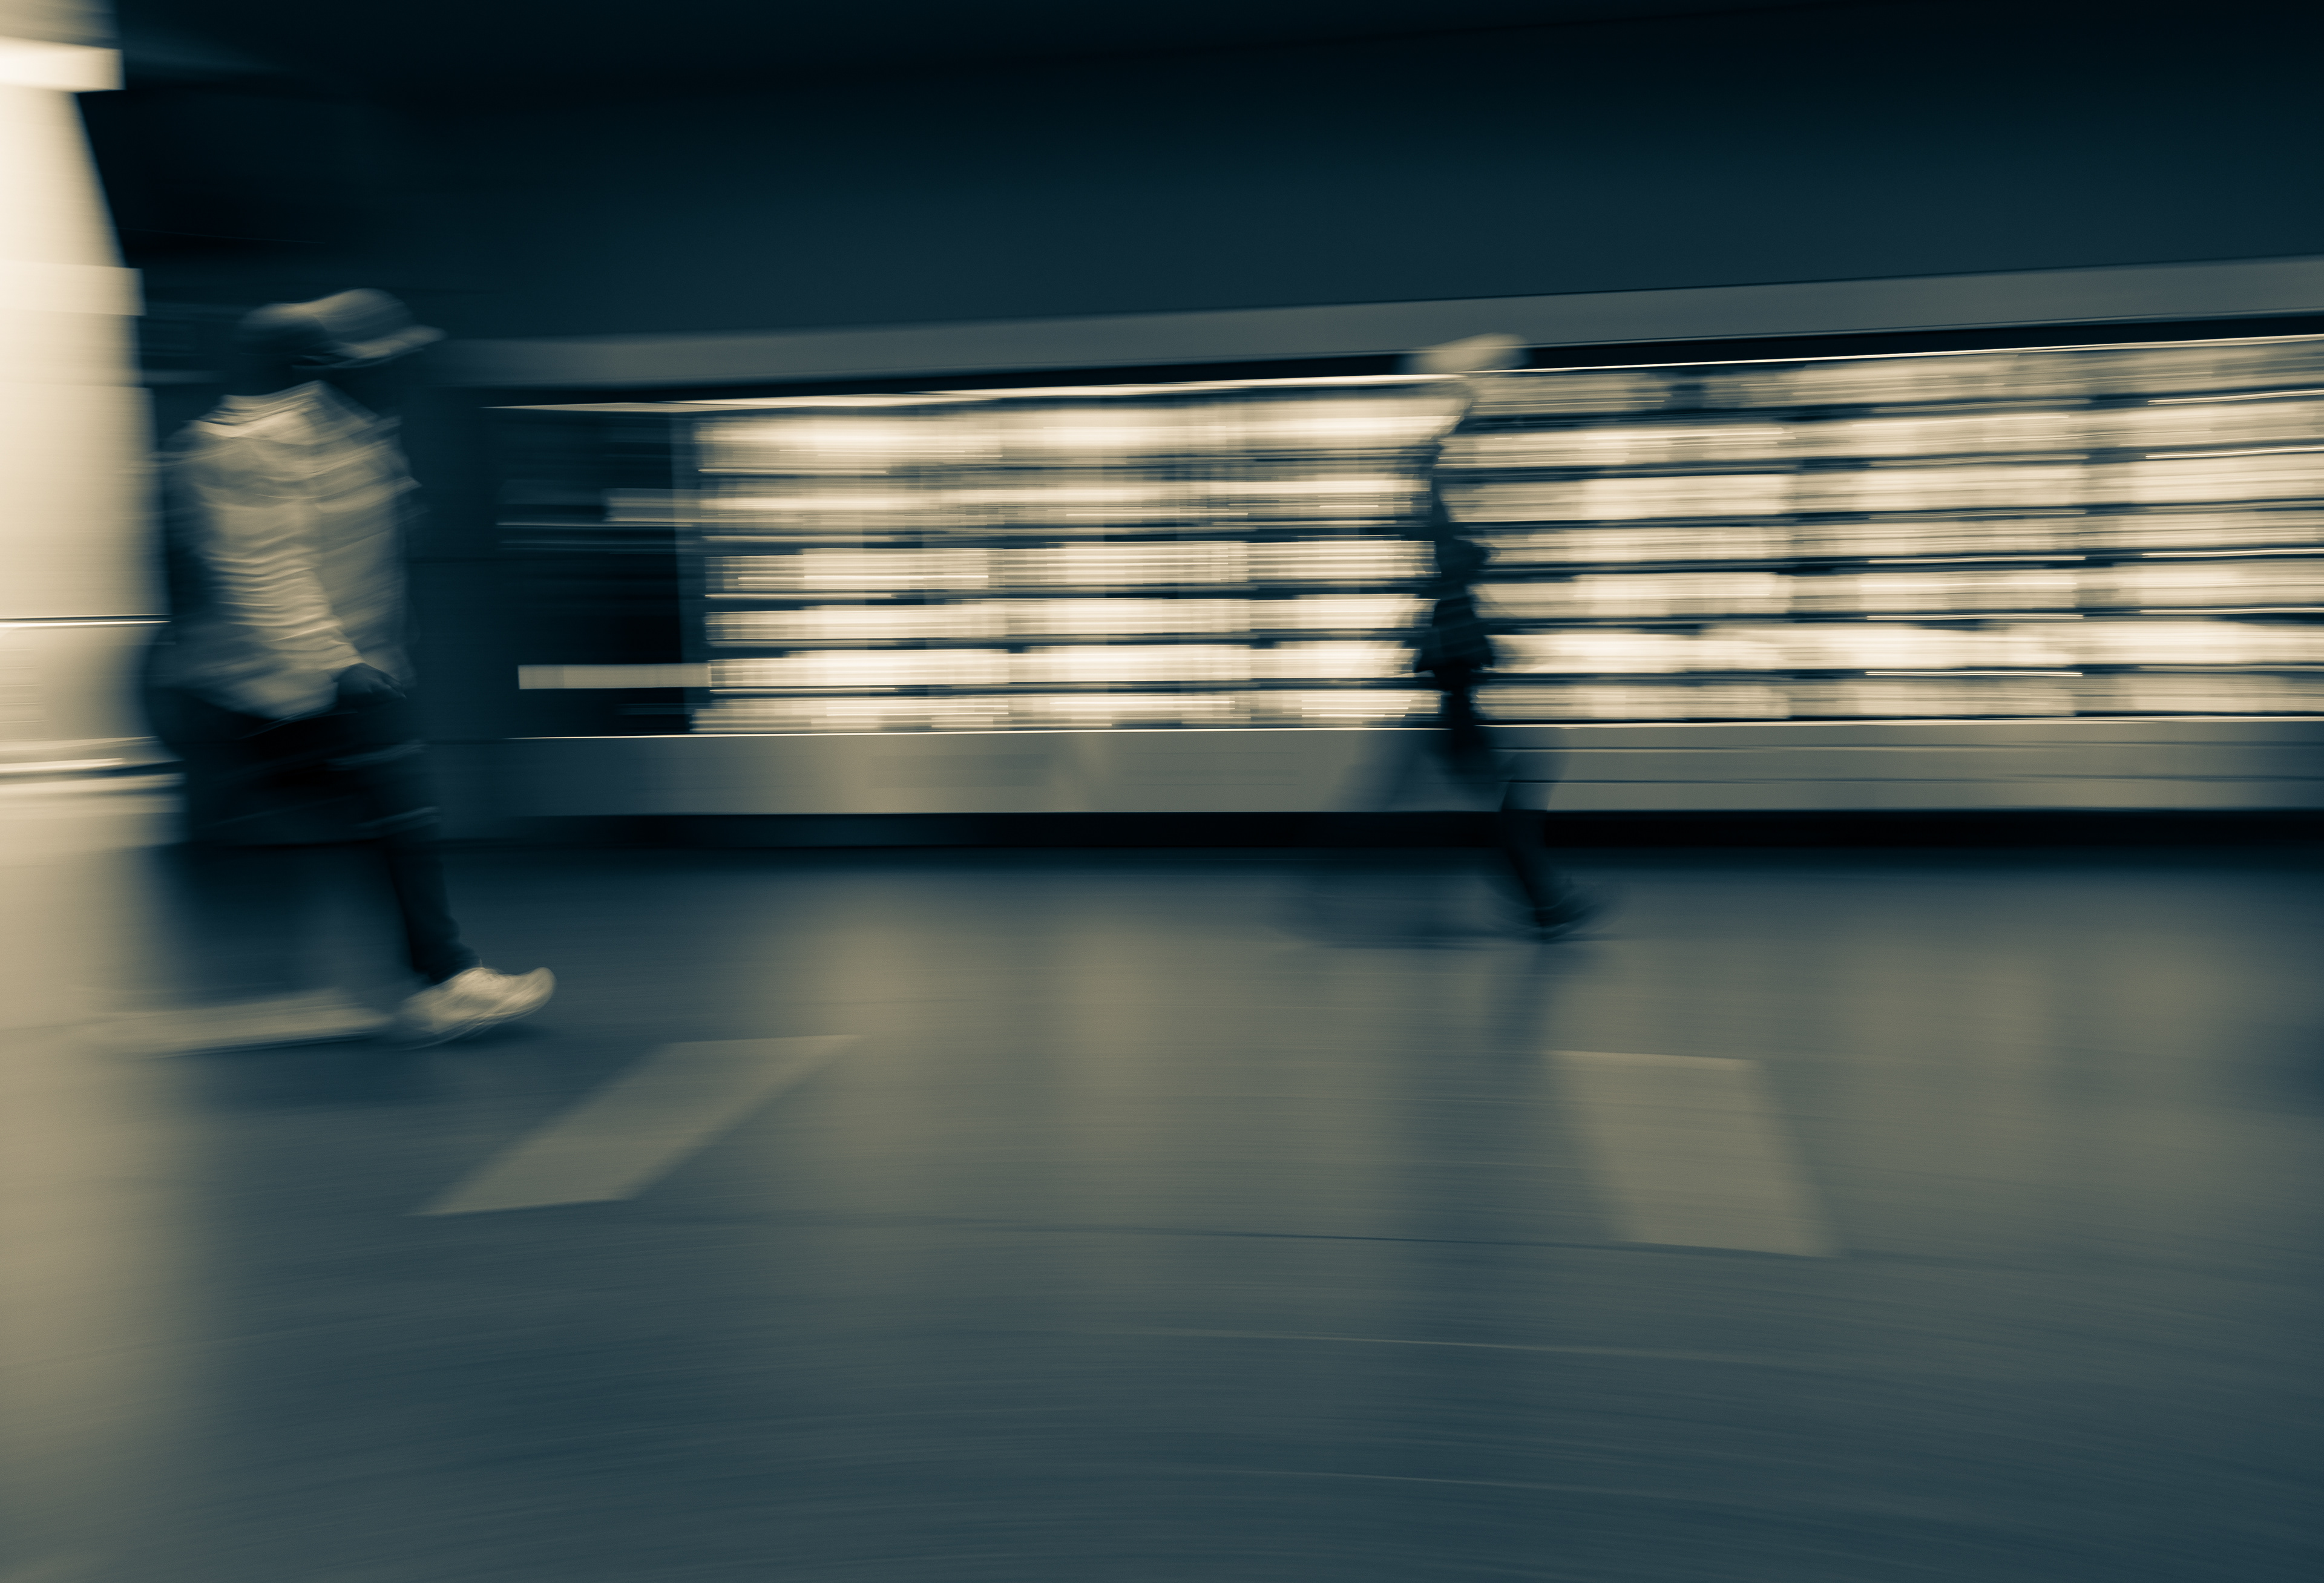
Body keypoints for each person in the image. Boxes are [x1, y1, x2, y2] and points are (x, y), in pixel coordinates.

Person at [142, 289, 553, 1047]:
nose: (404, 370)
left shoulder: (353, 431)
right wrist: (341, 664)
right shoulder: (256, 446)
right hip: (260, 687)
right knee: (394, 818)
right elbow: (266, 569)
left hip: (311, 683)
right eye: (389, 358)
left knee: (382, 823)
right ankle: (441, 981)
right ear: (330, 366)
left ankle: (412, 977)